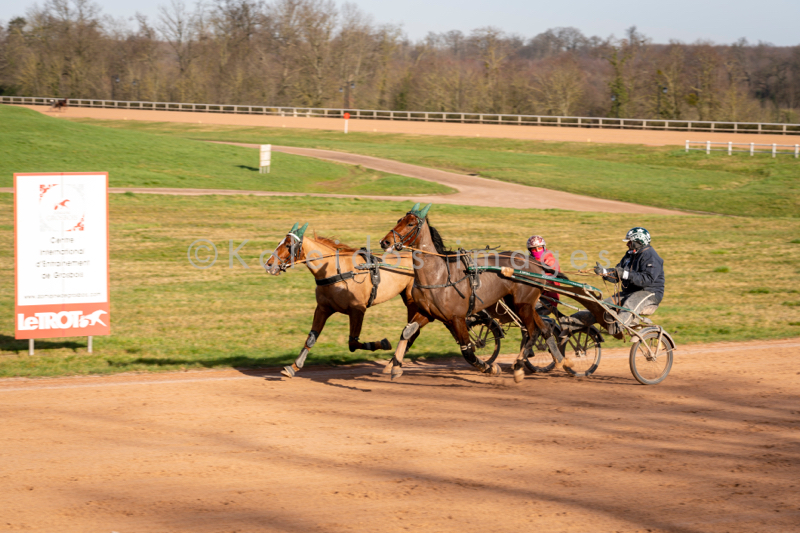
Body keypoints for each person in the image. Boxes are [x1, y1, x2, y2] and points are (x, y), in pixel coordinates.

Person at [566, 227, 665, 335]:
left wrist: (626, 274)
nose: (627, 244)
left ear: (639, 241)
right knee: (601, 305)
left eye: (630, 242)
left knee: (629, 304)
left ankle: (617, 327)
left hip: (650, 293)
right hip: (629, 292)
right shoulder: (629, 255)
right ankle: (571, 323)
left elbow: (647, 279)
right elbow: (618, 272)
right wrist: (603, 272)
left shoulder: (650, 255)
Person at [527, 235, 560, 316]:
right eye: (534, 249)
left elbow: (546, 281)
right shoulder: (529, 261)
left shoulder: (551, 262)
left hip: (548, 300)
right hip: (535, 296)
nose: (537, 250)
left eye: (540, 248)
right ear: (530, 251)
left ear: (544, 248)